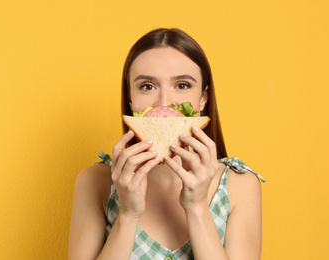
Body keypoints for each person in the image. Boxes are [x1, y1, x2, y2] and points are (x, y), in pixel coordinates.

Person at [69, 28, 265, 260]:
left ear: (204, 97)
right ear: (130, 98)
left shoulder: (239, 185)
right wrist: (129, 215)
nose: (164, 104)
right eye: (147, 86)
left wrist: (197, 209)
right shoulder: (95, 181)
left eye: (182, 85)